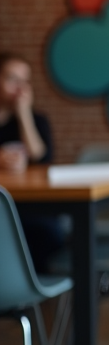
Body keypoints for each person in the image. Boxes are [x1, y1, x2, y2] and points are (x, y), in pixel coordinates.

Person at [0, 52, 65, 273]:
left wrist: (24, 114)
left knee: (45, 231)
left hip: (30, 208)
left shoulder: (37, 120)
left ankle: (29, 294)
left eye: (25, 81)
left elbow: (42, 159)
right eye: (12, 79)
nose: (20, 88)